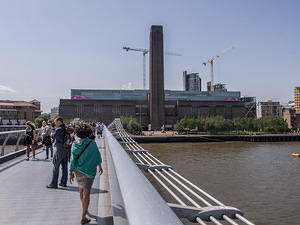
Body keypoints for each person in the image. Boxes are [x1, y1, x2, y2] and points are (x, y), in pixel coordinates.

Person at [69, 123, 103, 225]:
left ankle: (83, 207)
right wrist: (100, 166)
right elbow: (97, 156)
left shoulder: (75, 144)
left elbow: (72, 160)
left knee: (81, 189)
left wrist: (71, 172)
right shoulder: (92, 144)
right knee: (87, 193)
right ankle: (83, 217)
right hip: (89, 171)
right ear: (88, 132)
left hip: (78, 171)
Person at [47, 116, 68, 188]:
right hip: (66, 149)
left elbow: (53, 137)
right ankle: (63, 182)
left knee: (55, 166)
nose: (54, 123)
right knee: (64, 167)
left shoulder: (58, 129)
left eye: (55, 122)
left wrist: (51, 133)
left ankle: (53, 183)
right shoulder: (66, 128)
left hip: (59, 149)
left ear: (59, 121)